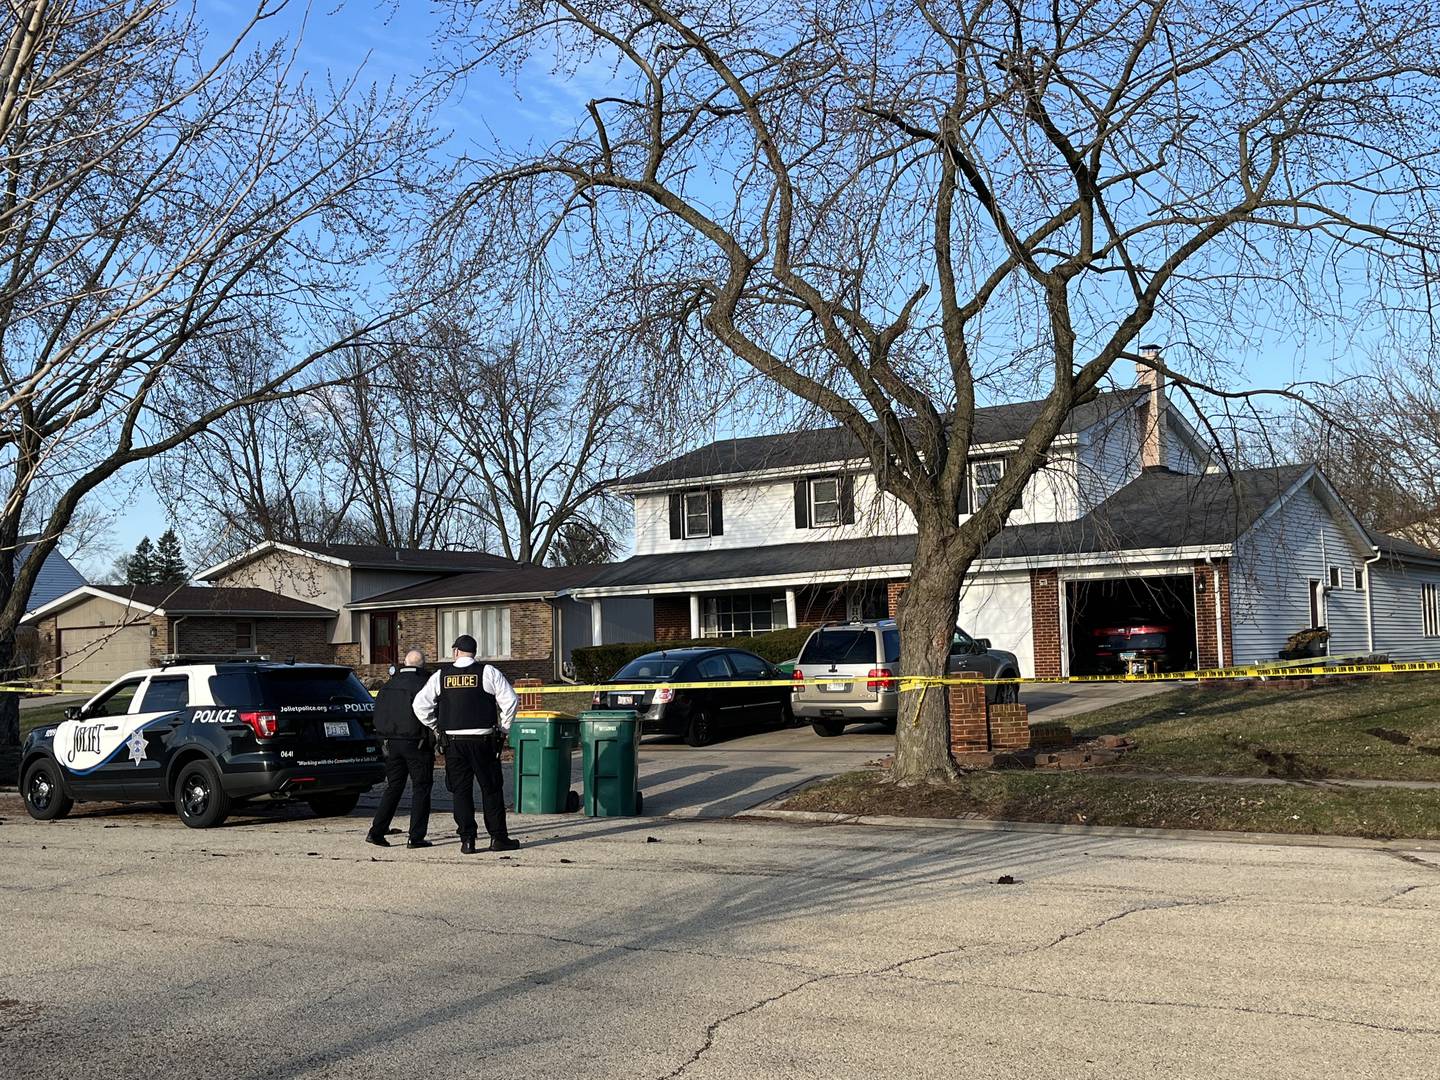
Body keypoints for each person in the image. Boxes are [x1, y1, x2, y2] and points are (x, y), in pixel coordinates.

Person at [412, 634, 519, 854]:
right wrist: (504, 728)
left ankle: (467, 840)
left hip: (453, 742)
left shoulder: (441, 675)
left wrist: (436, 727)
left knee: (461, 791)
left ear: (455, 651)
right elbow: (511, 701)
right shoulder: (488, 672)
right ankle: (498, 838)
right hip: (483, 741)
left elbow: (419, 705)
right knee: (491, 790)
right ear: (474, 651)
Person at [366, 649, 435, 849]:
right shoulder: (424, 684)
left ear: (405, 663)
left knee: (394, 787)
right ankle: (416, 836)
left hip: (390, 742)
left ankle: (377, 831)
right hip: (416, 742)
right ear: (423, 664)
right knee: (421, 788)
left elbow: (377, 713)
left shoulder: (388, 685)